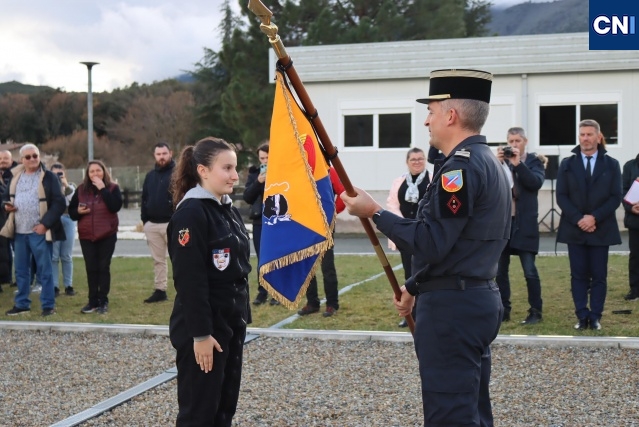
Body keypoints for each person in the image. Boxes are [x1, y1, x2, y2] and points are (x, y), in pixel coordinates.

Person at [341, 69, 509, 426]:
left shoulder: (458, 171)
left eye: (431, 111)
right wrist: (414, 286)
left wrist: (375, 212)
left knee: (450, 414)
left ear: (451, 115)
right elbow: (457, 246)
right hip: (474, 298)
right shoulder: (487, 161)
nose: (426, 121)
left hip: (453, 310)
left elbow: (432, 242)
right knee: (472, 410)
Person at [168, 137, 251, 426]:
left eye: (235, 168)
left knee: (224, 409)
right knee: (199, 414)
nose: (235, 176)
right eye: (226, 168)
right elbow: (190, 281)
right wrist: (201, 335)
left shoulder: (227, 209)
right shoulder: (191, 213)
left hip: (230, 323)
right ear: (203, 170)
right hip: (206, 328)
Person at [556, 119, 622, 331]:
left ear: (598, 137)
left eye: (589, 134)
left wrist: (594, 218)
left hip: (601, 229)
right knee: (578, 275)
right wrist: (579, 219)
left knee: (599, 276)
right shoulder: (567, 164)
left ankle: (595, 317)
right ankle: (582, 315)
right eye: (582, 134)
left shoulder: (612, 164)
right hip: (574, 228)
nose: (585, 138)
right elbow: (561, 196)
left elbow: (615, 196)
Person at [1, 144, 66, 316]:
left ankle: (48, 305)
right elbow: (4, 198)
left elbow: (59, 203)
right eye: (28, 157)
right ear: (21, 160)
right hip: (19, 232)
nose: (32, 159)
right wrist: (6, 206)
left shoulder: (49, 177)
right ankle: (22, 304)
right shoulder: (15, 176)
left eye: (35, 156)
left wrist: (45, 224)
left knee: (45, 271)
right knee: (21, 271)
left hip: (39, 232)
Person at [495, 127, 546, 324]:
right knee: (500, 271)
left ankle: (535, 311)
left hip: (525, 223)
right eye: (511, 141)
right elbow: (490, 186)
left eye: (518, 141)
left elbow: (535, 183)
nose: (514, 145)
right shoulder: (501, 162)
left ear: (525, 141)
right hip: (503, 223)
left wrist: (518, 164)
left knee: (529, 270)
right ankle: (503, 310)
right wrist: (497, 163)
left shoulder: (534, 161)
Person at [69, 160, 123, 315]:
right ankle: (92, 301)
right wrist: (78, 212)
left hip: (107, 234)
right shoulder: (81, 190)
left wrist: (103, 189)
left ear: (104, 171)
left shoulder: (113, 188)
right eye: (92, 171)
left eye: (98, 170)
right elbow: (72, 212)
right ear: (87, 174)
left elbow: (115, 206)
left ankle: (103, 300)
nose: (95, 174)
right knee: (91, 268)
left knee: (103, 267)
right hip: (87, 236)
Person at [386, 148, 430, 327]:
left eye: (420, 159)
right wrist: (403, 226)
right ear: (407, 162)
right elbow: (392, 204)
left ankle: (425, 312)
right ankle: (410, 314)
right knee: (408, 273)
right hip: (406, 236)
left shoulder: (432, 179)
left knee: (424, 274)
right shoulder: (400, 182)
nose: (417, 162)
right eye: (413, 159)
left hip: (424, 234)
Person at [297, 167, 346, 318]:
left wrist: (331, 212)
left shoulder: (330, 171)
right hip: (305, 224)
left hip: (325, 225)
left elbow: (343, 194)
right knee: (307, 266)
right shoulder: (300, 170)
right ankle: (312, 303)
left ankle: (332, 304)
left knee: (327, 266)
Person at [243, 142, 279, 305]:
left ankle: (277, 292)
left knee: (276, 256)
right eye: (262, 158)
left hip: (276, 219)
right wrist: (258, 182)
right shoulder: (254, 174)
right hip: (259, 220)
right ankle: (262, 291)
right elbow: (247, 197)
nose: (264, 161)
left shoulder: (281, 172)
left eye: (267, 158)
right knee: (262, 257)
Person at [141, 142, 175, 304]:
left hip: (172, 223)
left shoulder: (178, 174)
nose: (161, 157)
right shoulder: (150, 176)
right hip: (152, 225)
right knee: (158, 260)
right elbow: (144, 198)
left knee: (180, 259)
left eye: (164, 153)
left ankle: (185, 290)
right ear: (154, 156)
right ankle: (160, 290)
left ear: (170, 153)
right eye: (158, 154)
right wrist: (145, 220)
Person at [50, 162, 77, 297]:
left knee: (66, 255)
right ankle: (55, 286)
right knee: (54, 256)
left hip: (68, 218)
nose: (58, 176)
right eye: (55, 174)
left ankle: (68, 285)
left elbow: (74, 201)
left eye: (60, 173)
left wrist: (65, 185)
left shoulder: (71, 186)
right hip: (54, 219)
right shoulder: (48, 186)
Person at [622, 153, 639, 301]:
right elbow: (623, 190)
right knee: (636, 256)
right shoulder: (630, 166)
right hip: (635, 220)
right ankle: (635, 290)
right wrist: (630, 208)